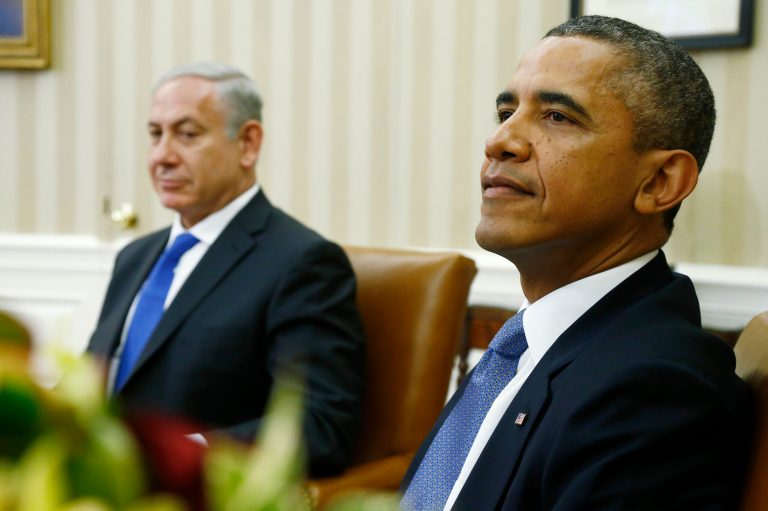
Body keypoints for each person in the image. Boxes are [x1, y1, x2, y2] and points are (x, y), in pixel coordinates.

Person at [401, 15, 752, 510]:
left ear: (660, 183)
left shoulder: (656, 389)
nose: (500, 141)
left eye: (557, 117)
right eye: (506, 109)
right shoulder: (529, 343)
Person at [87, 63, 366, 477]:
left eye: (187, 134)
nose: (162, 155)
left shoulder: (302, 263)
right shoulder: (134, 257)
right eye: (154, 134)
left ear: (248, 143)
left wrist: (184, 455)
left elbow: (319, 427)